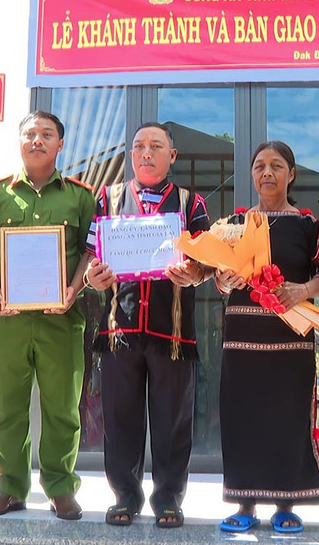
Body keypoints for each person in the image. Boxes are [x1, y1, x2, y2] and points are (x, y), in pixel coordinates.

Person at [0, 110, 95, 521]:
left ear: (61, 144)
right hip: (8, 319)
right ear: (19, 142)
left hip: (62, 318)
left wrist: (75, 289)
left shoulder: (80, 196)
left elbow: (92, 250)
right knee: (7, 406)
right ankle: (10, 487)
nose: (37, 140)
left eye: (46, 134)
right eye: (29, 134)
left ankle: (60, 487)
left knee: (62, 407)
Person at [85, 122, 211, 528]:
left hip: (170, 332)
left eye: (156, 146)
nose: (146, 153)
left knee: (173, 418)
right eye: (138, 146)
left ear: (171, 156)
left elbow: (208, 259)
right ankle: (124, 495)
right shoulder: (108, 198)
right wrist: (93, 277)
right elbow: (92, 257)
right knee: (120, 418)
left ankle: (169, 499)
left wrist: (194, 272)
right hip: (119, 329)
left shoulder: (190, 204)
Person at [214, 141, 319, 534]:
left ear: (291, 174)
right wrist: (223, 278)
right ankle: (244, 503)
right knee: (242, 417)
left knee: (287, 417)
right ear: (252, 175)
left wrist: (302, 290)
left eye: (277, 166)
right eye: (260, 166)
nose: (267, 172)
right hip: (242, 339)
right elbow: (219, 274)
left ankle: (287, 502)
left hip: (290, 340)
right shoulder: (234, 222)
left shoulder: (308, 225)